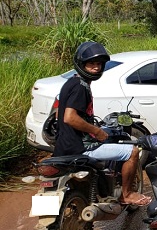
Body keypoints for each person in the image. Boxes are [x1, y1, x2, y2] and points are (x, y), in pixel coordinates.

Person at [54, 41, 151, 206]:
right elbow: (69, 117)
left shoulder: (70, 83)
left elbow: (58, 113)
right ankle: (126, 194)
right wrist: (96, 131)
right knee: (132, 152)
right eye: (91, 63)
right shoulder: (80, 87)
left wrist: (90, 128)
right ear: (81, 64)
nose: (96, 67)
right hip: (81, 147)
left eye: (99, 64)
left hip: (64, 145)